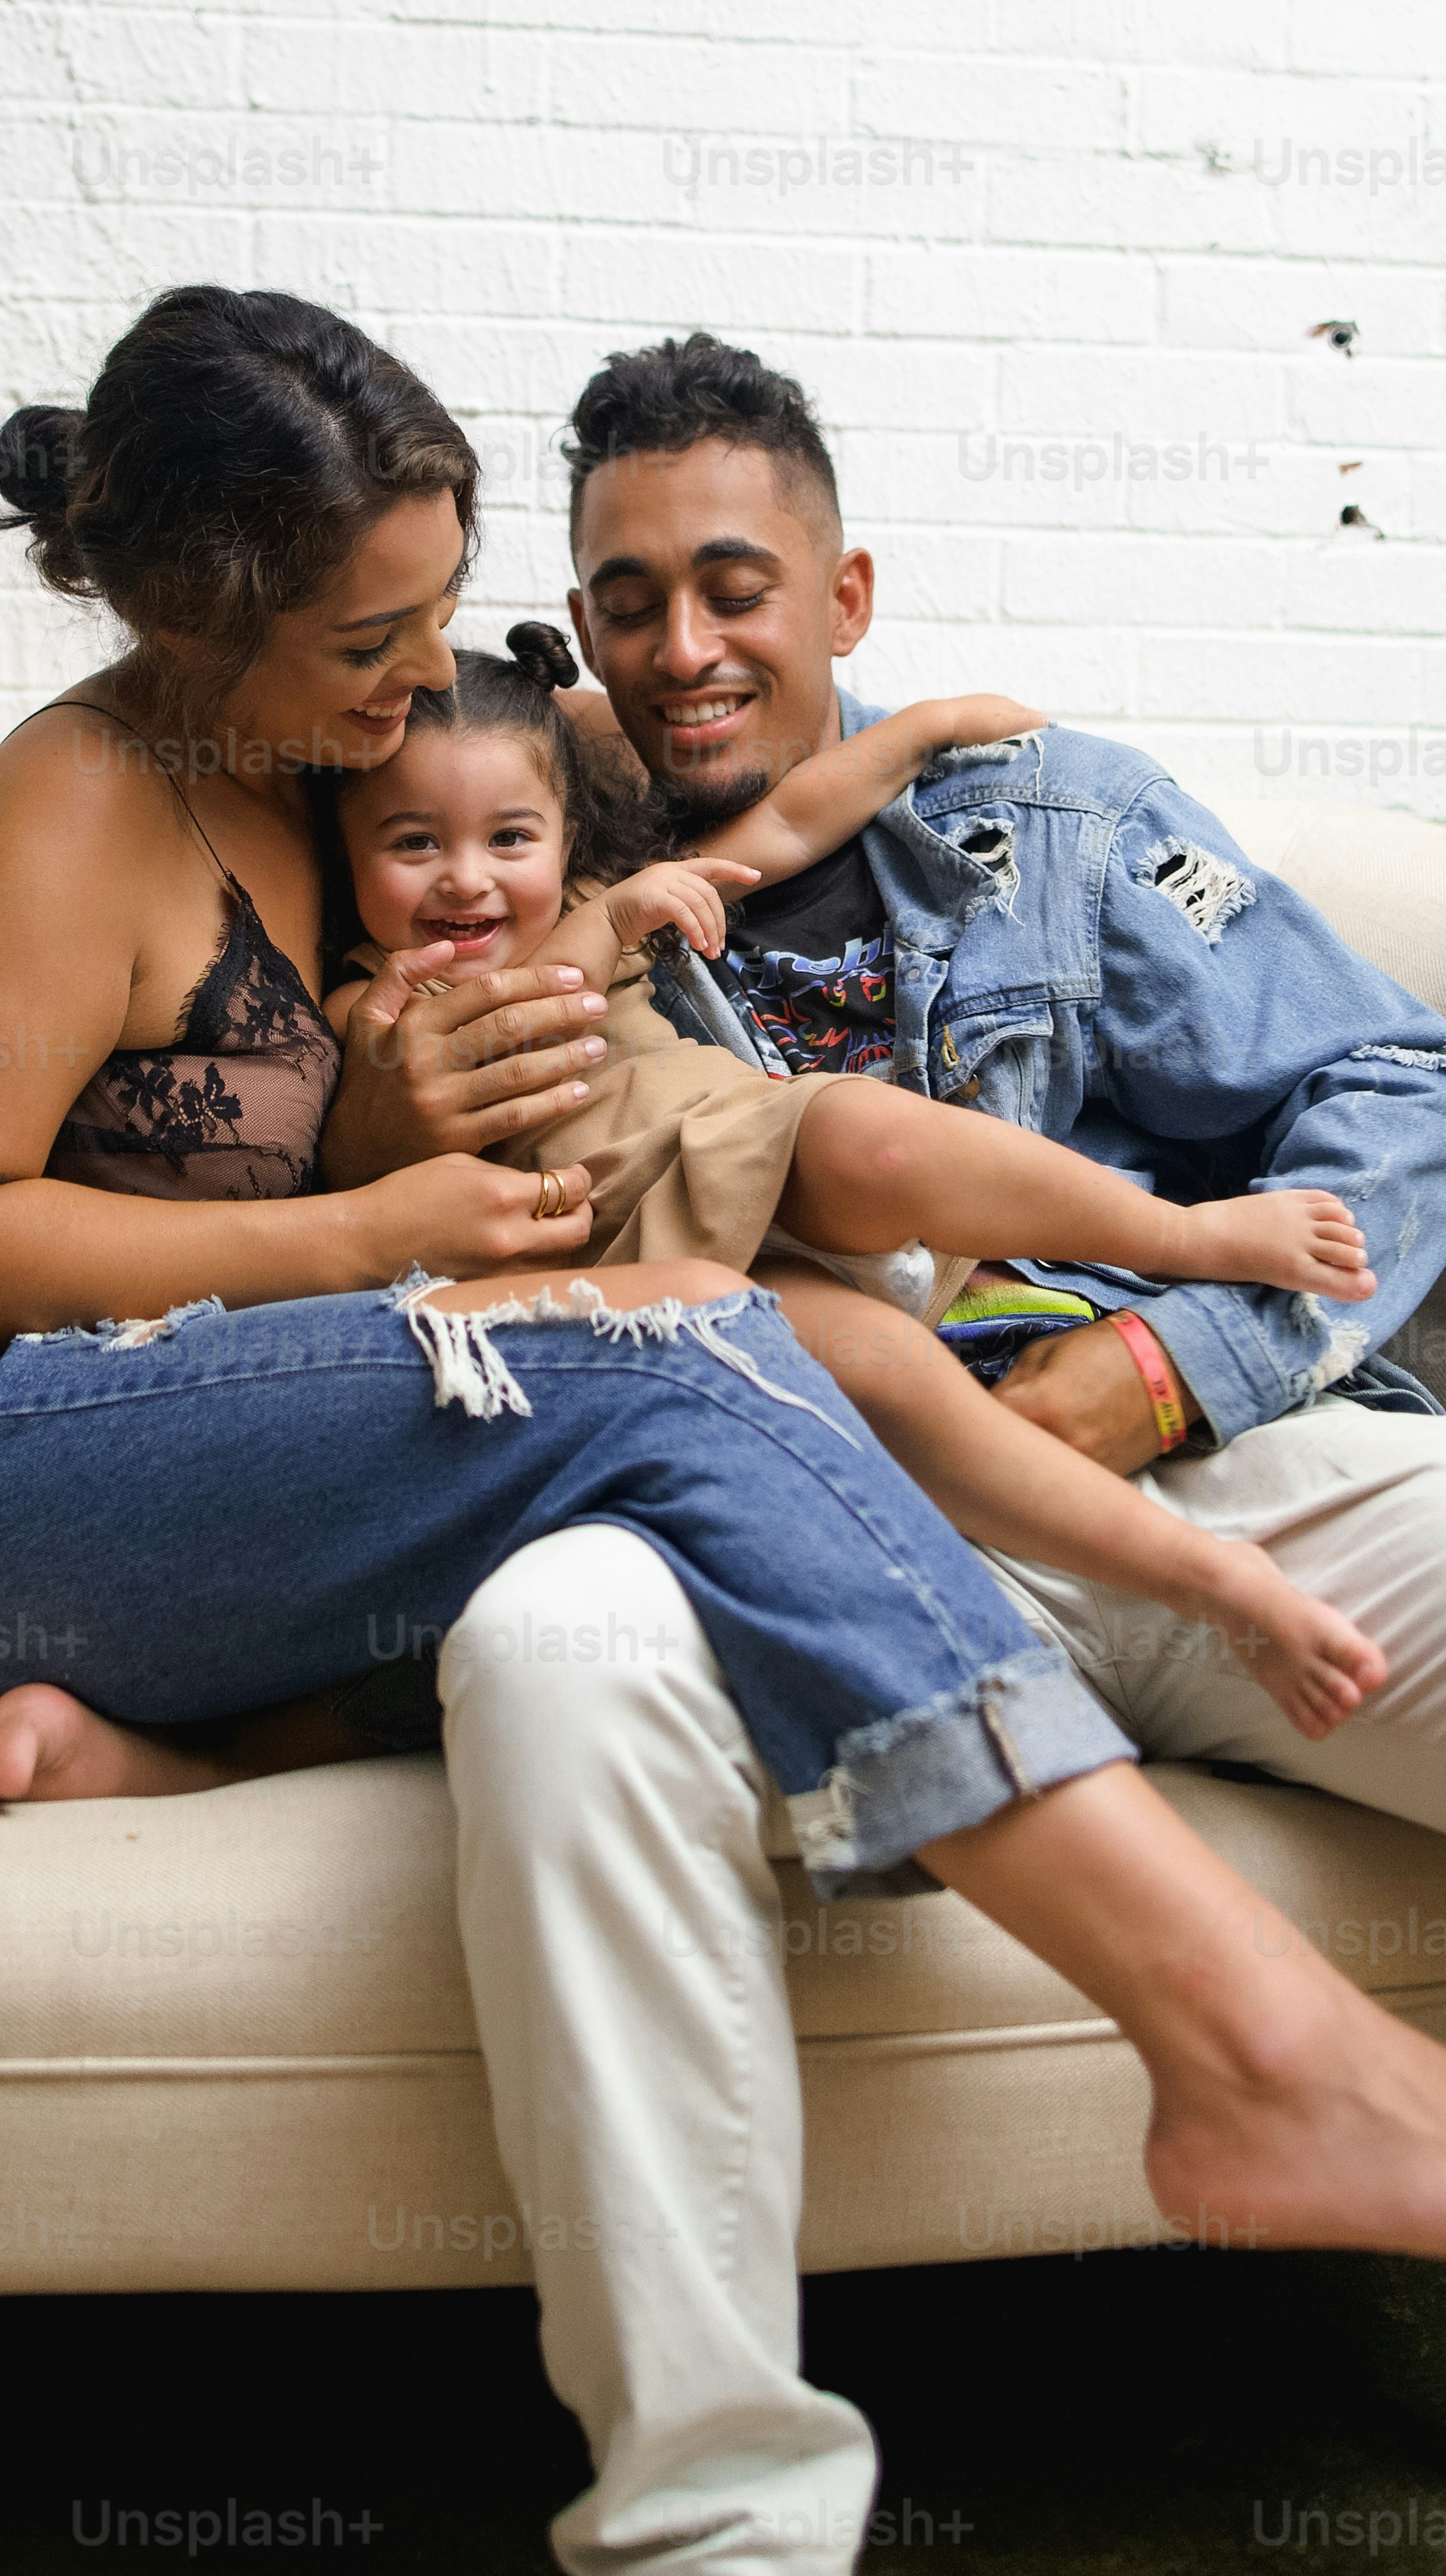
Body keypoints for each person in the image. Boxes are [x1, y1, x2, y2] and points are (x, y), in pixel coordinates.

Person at [0, 284, 1446, 2576]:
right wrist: (365, 1242)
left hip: (192, 1478)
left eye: (443, 614)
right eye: (366, 640)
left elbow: (722, 831)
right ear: (192, 617)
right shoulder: (79, 800)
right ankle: (1243, 2044)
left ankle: (199, 1745)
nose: (423, 677)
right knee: (674, 1353)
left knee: (697, 1344)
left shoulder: (373, 763)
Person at [335, 321, 1446, 2576]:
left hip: (1174, 1469)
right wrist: (386, 1105)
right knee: (541, 1648)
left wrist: (1166, 1368)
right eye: (621, 597)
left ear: (840, 586)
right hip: (749, 1513)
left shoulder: (1048, 821)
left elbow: (1393, 1086)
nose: (677, 646)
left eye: (728, 583)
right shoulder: (520, 872)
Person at [324, 625, 1387, 1740]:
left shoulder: (601, 894)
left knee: (878, 1136)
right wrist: (610, 917)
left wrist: (922, 730)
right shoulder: (375, 1005)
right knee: (901, 1387)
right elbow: (413, 1107)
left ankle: (1187, 1239)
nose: (466, 878)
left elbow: (786, 823)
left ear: (562, 835)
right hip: (649, 1270)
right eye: (411, 843)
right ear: (345, 857)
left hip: (751, 1146)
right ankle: (1208, 1579)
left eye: (508, 836)